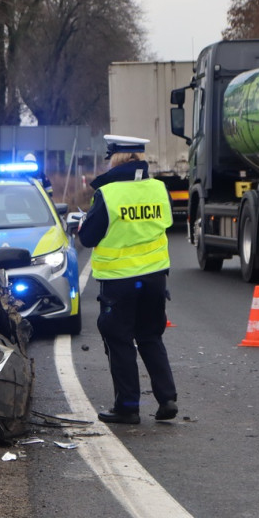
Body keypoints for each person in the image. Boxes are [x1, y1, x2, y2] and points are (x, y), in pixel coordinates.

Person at [78, 134, 177, 424]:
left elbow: (87, 237)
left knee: (119, 339)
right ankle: (167, 398)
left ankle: (128, 406)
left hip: (119, 281)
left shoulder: (108, 194)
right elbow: (168, 222)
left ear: (115, 158)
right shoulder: (159, 189)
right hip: (155, 277)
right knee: (150, 336)